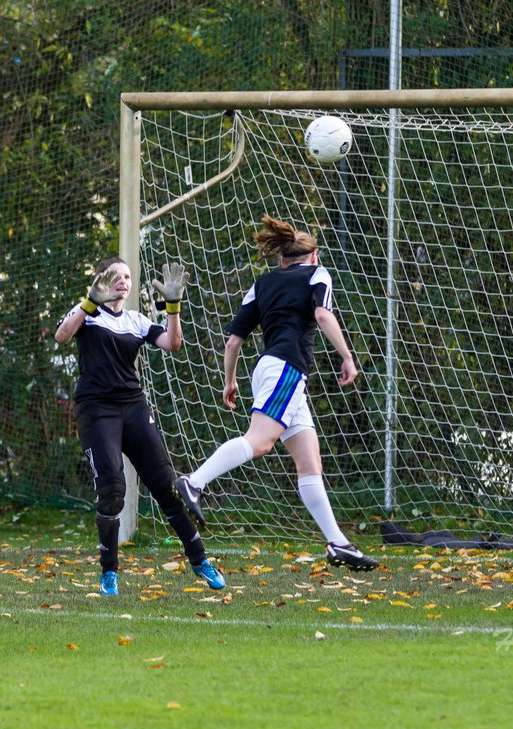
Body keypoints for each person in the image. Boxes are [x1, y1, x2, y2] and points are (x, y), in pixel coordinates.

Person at [176, 216, 379, 571]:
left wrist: (230, 380)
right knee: (260, 442)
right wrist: (347, 357)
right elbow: (322, 314)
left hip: (274, 372)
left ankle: (339, 544)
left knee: (309, 462)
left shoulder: (263, 283)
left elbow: (234, 340)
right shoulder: (318, 275)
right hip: (285, 370)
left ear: (282, 259)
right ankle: (194, 481)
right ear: (313, 256)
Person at [55, 257, 226, 595]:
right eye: (115, 276)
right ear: (101, 280)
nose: (123, 281)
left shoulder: (135, 320)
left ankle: (200, 560)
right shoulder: (86, 313)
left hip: (133, 408)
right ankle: (109, 573)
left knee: (167, 487)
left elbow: (172, 344)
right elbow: (62, 335)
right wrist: (89, 301)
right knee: (112, 490)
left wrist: (173, 308)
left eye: (128, 276)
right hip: (97, 411)